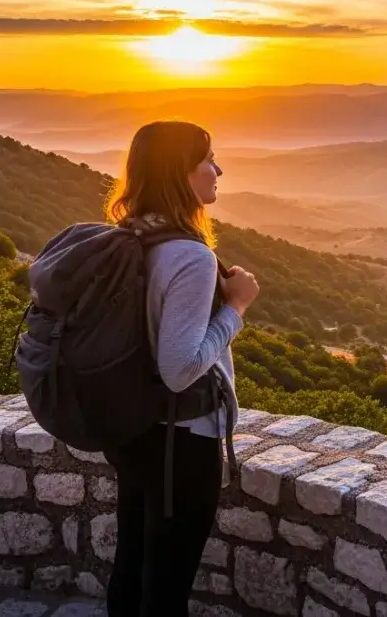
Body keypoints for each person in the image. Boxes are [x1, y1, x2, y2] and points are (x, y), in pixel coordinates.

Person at [101, 121, 260, 616]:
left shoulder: (131, 236)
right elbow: (181, 367)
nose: (218, 170)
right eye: (208, 160)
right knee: (167, 588)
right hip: (181, 443)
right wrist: (236, 307)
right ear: (180, 173)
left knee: (132, 566)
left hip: (133, 428)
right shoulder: (190, 257)